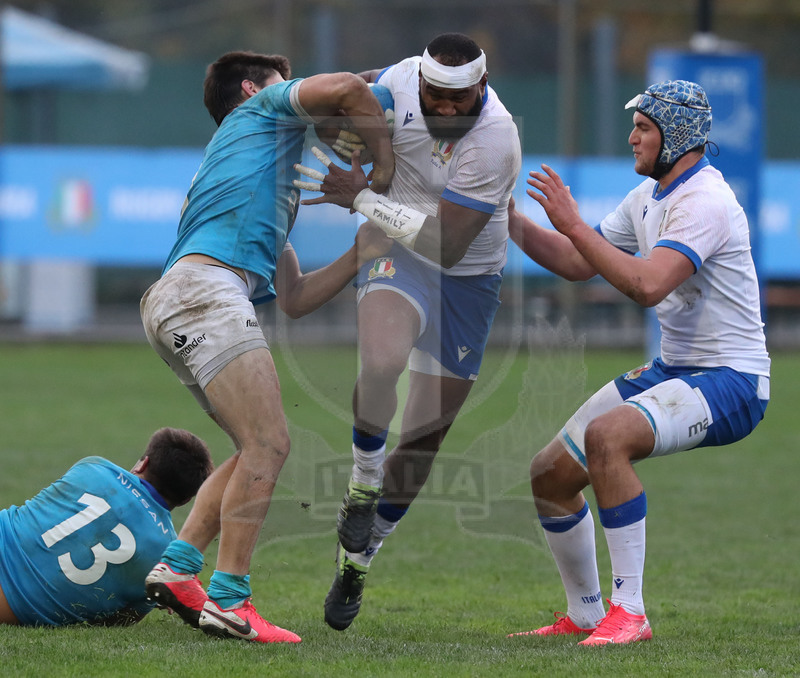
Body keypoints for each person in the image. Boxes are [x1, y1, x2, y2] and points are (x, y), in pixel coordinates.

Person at [140, 50, 394, 644]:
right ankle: (230, 598)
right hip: (205, 293)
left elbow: (296, 297)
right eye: (286, 79)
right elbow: (346, 91)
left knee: (250, 446)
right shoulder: (262, 107)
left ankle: (179, 568)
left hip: (180, 297)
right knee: (271, 443)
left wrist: (360, 252)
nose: (295, 87)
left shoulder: (259, 169)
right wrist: (381, 174)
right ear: (254, 87)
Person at [506, 80, 770, 645]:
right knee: (549, 476)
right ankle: (584, 613)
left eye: (644, 129)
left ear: (676, 136)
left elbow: (648, 286)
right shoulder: (649, 194)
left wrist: (573, 222)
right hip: (675, 368)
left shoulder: (706, 201)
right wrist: (506, 216)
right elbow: (578, 264)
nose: (632, 139)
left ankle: (631, 613)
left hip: (734, 380)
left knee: (608, 437)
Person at [294, 32, 522, 631]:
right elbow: (346, 96)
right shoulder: (397, 80)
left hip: (466, 276)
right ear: (419, 80)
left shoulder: (496, 137)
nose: (445, 109)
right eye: (435, 95)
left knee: (422, 439)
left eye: (459, 98)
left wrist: (363, 195)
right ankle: (363, 484)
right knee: (383, 361)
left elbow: (448, 245)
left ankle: (358, 561)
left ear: (482, 86)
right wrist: (341, 128)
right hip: (400, 254)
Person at [0, 428, 213, 627]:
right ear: (186, 500)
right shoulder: (165, 557)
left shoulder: (94, 467)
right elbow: (122, 619)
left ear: (143, 464)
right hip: (14, 609)